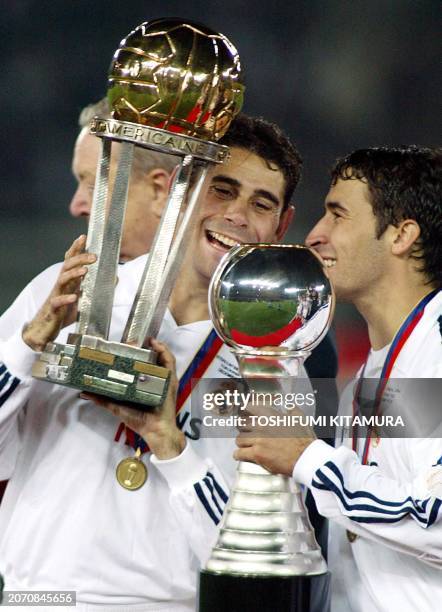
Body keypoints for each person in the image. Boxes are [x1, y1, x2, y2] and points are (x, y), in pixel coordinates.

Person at [0, 115, 316, 611]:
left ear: (282, 225)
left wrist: (171, 445)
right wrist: (29, 343)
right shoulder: (65, 293)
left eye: (261, 204)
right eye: (222, 189)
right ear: (178, 190)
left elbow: (247, 552)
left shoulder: (272, 364)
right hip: (41, 596)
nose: (236, 215)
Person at [234, 145, 442, 612]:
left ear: (402, 234)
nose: (314, 236)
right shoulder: (364, 384)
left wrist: (308, 459)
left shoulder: (437, 357)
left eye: (337, 215)